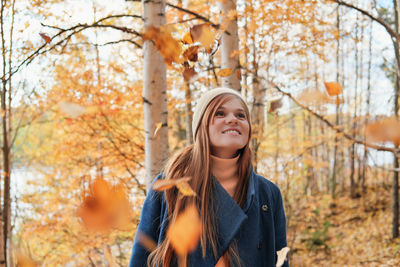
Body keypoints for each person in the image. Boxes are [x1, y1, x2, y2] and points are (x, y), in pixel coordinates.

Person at [129, 87, 288, 267]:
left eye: (241, 115)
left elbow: (280, 260)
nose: (233, 119)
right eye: (220, 113)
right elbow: (141, 259)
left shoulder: (268, 193)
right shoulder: (170, 184)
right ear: (201, 126)